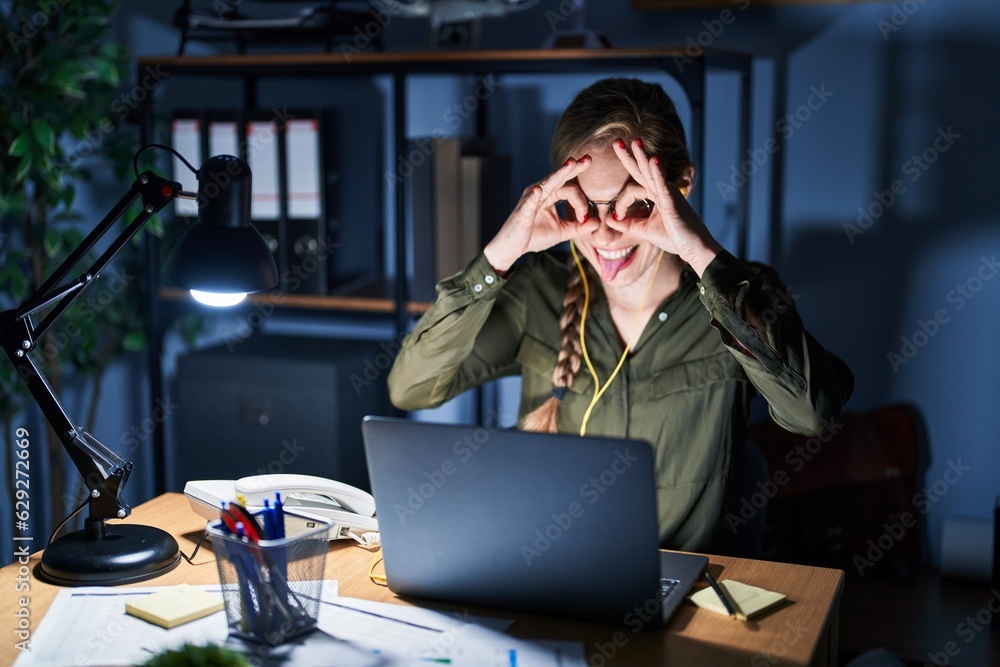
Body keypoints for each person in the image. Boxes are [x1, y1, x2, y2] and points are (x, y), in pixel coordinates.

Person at [387, 77, 854, 553]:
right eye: (586, 205)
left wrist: (703, 254)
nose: (606, 235)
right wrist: (497, 259)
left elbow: (813, 414)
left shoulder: (744, 293)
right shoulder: (538, 289)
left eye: (635, 204)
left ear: (681, 188)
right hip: (549, 572)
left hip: (684, 595)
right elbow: (411, 388)